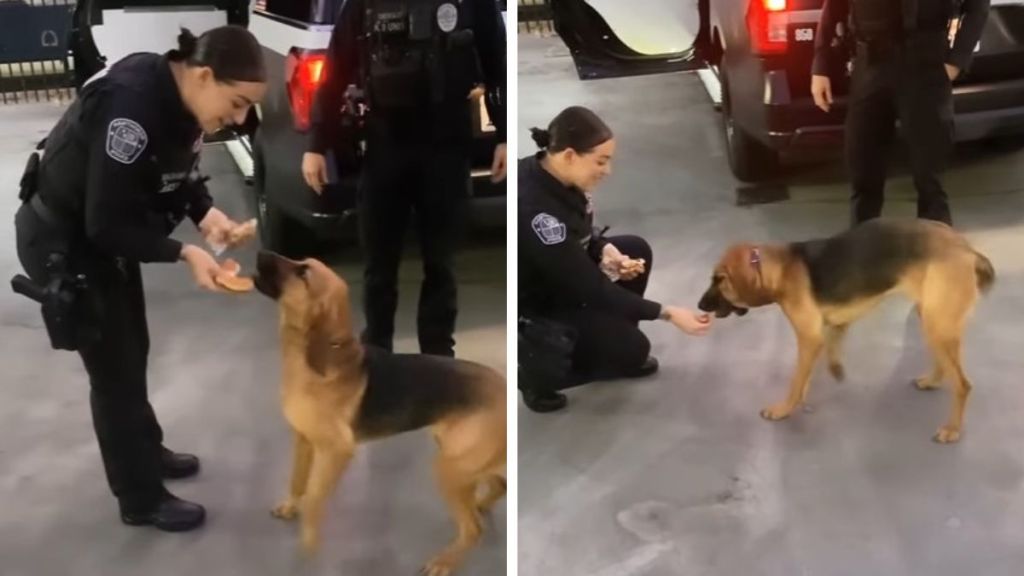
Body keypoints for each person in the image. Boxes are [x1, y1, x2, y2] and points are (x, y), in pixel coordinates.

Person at [12, 26, 267, 532]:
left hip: (101, 241)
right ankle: (140, 497)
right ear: (204, 74)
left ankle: (146, 450)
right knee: (114, 371)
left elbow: (176, 169)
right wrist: (184, 254)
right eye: (236, 103)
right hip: (63, 241)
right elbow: (105, 222)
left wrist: (206, 214)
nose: (238, 119)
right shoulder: (132, 105)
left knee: (134, 347)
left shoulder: (184, 102)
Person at [301, 0, 508, 358]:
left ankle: (439, 358)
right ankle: (377, 354)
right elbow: (335, 73)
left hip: (446, 146)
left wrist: (505, 134)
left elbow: (497, 64)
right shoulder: (363, 5)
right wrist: (318, 145)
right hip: (385, 146)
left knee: (441, 263)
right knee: (379, 265)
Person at [518, 106, 713, 413]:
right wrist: (667, 313)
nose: (607, 171)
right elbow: (589, 286)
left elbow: (579, 231)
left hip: (563, 281)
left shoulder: (558, 176)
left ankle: (613, 341)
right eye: (601, 161)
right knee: (634, 349)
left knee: (635, 249)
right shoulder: (534, 210)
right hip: (539, 307)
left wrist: (602, 247)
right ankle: (535, 374)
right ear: (570, 155)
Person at [811, 0, 990, 227]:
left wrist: (958, 60)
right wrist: (821, 66)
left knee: (930, 179)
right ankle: (862, 251)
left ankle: (935, 252)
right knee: (863, 169)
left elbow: (979, 6)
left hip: (925, 65)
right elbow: (833, 7)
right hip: (870, 65)